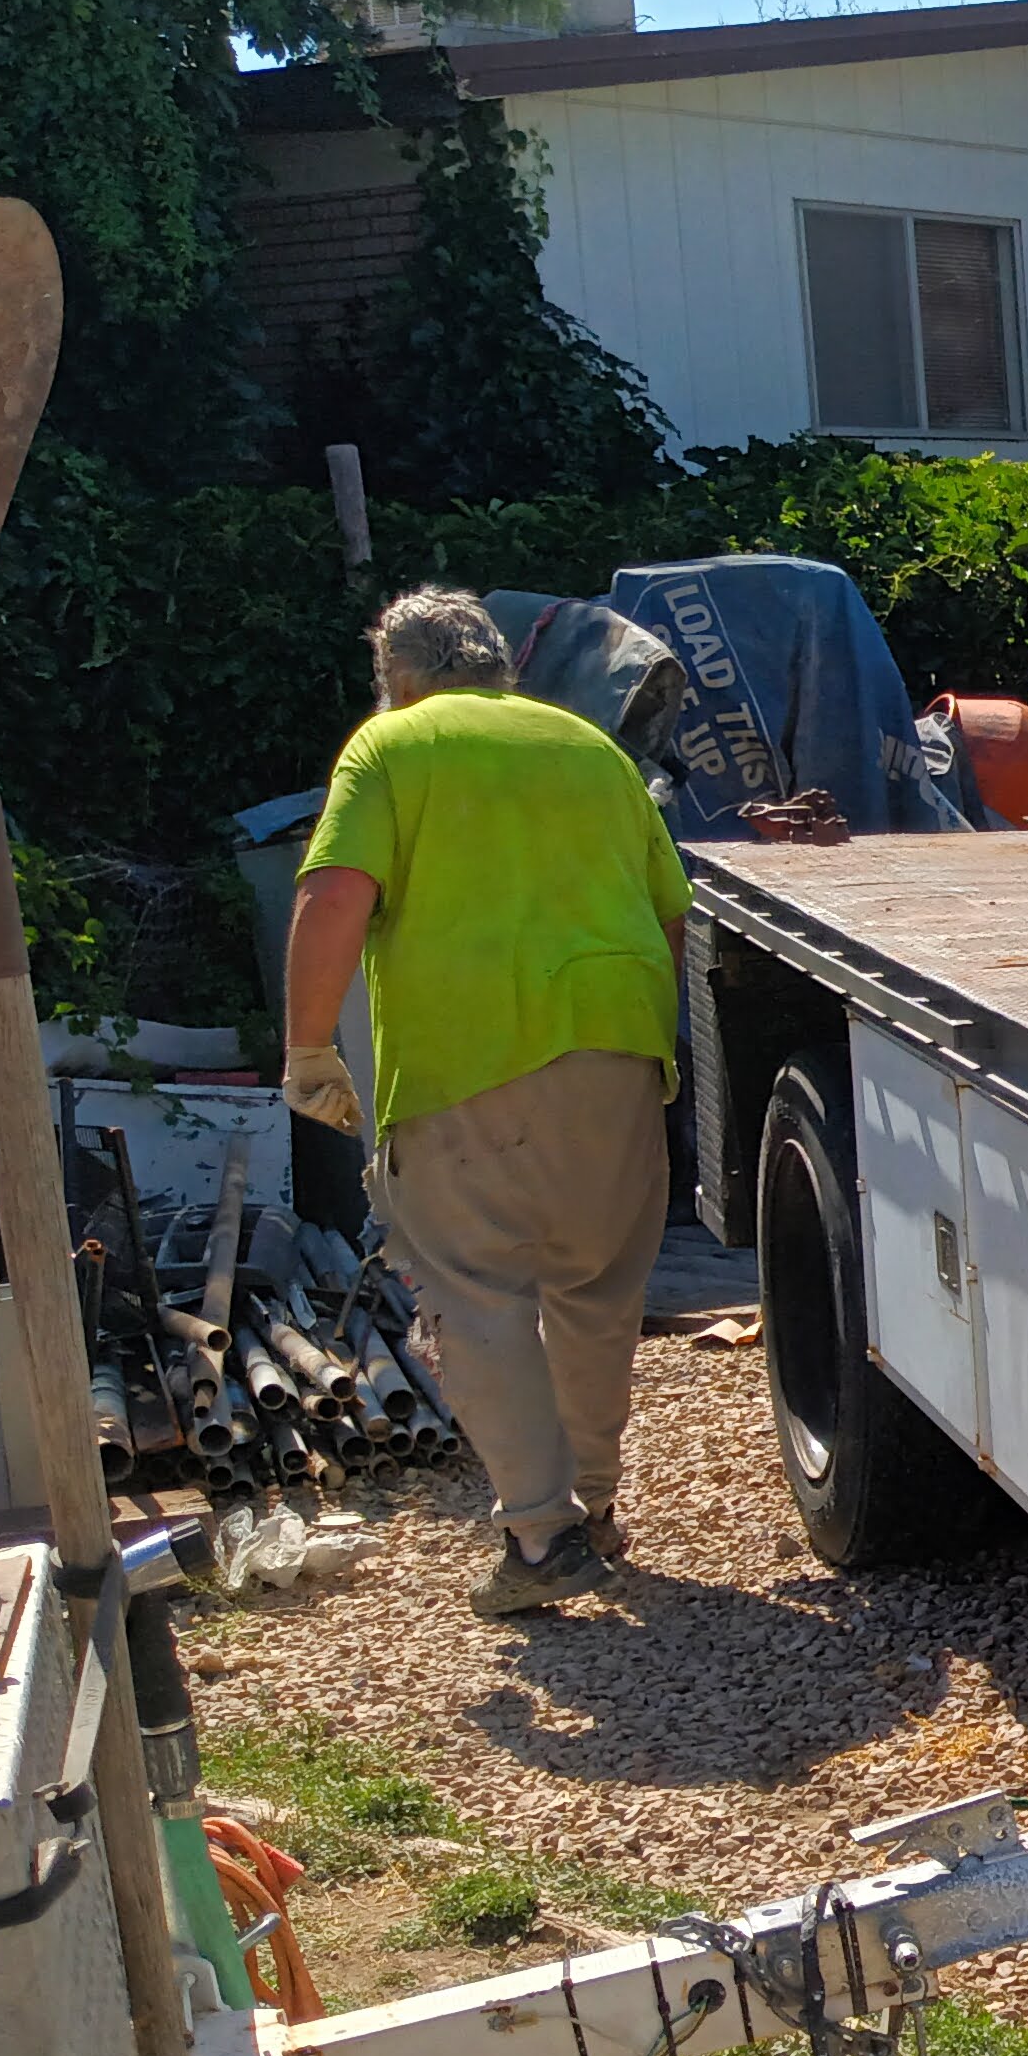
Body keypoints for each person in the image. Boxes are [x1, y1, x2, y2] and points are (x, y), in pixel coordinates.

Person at [284, 586, 689, 1617]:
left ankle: (544, 1536)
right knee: (596, 1288)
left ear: (399, 677)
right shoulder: (593, 750)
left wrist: (308, 1049)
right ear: (499, 665)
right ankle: (594, 1505)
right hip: (619, 1048)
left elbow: (334, 895)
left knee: (478, 1292)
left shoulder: (393, 747)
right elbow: (669, 916)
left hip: (465, 1059)